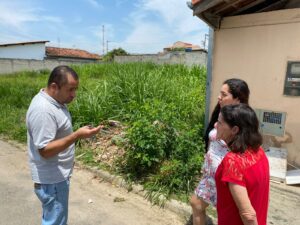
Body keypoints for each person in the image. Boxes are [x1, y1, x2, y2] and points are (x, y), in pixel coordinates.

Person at [26, 65, 102, 225]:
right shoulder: (43, 110)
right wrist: (77, 135)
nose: (74, 95)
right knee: (55, 221)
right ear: (54, 87)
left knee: (54, 219)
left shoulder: (55, 101)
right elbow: (45, 150)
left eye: (76, 89)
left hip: (57, 177)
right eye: (70, 89)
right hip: (52, 179)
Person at [190, 78, 250, 225]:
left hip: (225, 176)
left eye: (224, 94)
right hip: (211, 174)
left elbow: (244, 150)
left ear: (237, 98)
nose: (219, 97)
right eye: (220, 93)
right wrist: (207, 163)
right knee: (196, 204)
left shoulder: (243, 120)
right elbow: (212, 140)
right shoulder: (221, 112)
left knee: (225, 214)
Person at [215, 104, 269, 225]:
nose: (215, 125)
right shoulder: (259, 152)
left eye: (219, 123)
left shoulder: (233, 162)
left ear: (234, 130)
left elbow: (248, 216)